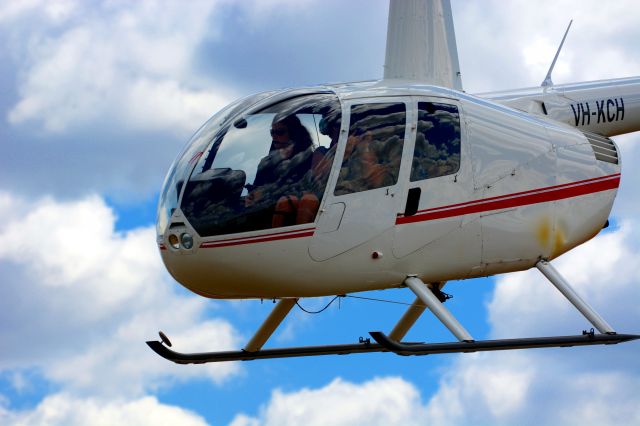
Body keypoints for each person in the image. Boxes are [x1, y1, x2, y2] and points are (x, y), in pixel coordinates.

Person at [245, 114, 314, 228]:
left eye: (280, 132)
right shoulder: (266, 163)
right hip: (266, 211)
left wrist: (266, 193)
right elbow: (257, 187)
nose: (274, 136)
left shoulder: (307, 158)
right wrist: (251, 196)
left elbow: (308, 188)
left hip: (292, 214)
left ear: (293, 133)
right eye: (272, 132)